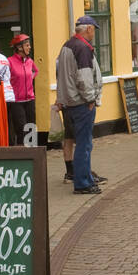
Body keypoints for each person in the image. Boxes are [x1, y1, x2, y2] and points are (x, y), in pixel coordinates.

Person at [56, 16, 104, 195]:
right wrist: (91, 99)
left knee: (82, 144)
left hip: (69, 102)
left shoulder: (67, 46)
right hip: (81, 103)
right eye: (93, 30)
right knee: (84, 145)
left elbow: (60, 75)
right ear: (88, 29)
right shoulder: (82, 48)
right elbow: (84, 78)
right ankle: (83, 183)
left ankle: (86, 179)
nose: (94, 34)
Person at [7, 34, 37, 146]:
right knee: (22, 129)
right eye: (27, 45)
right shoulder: (9, 61)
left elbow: (35, 71)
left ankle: (33, 155)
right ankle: (22, 156)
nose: (30, 47)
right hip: (16, 101)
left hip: (30, 99)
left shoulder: (30, 61)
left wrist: (28, 80)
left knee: (31, 128)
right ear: (19, 48)